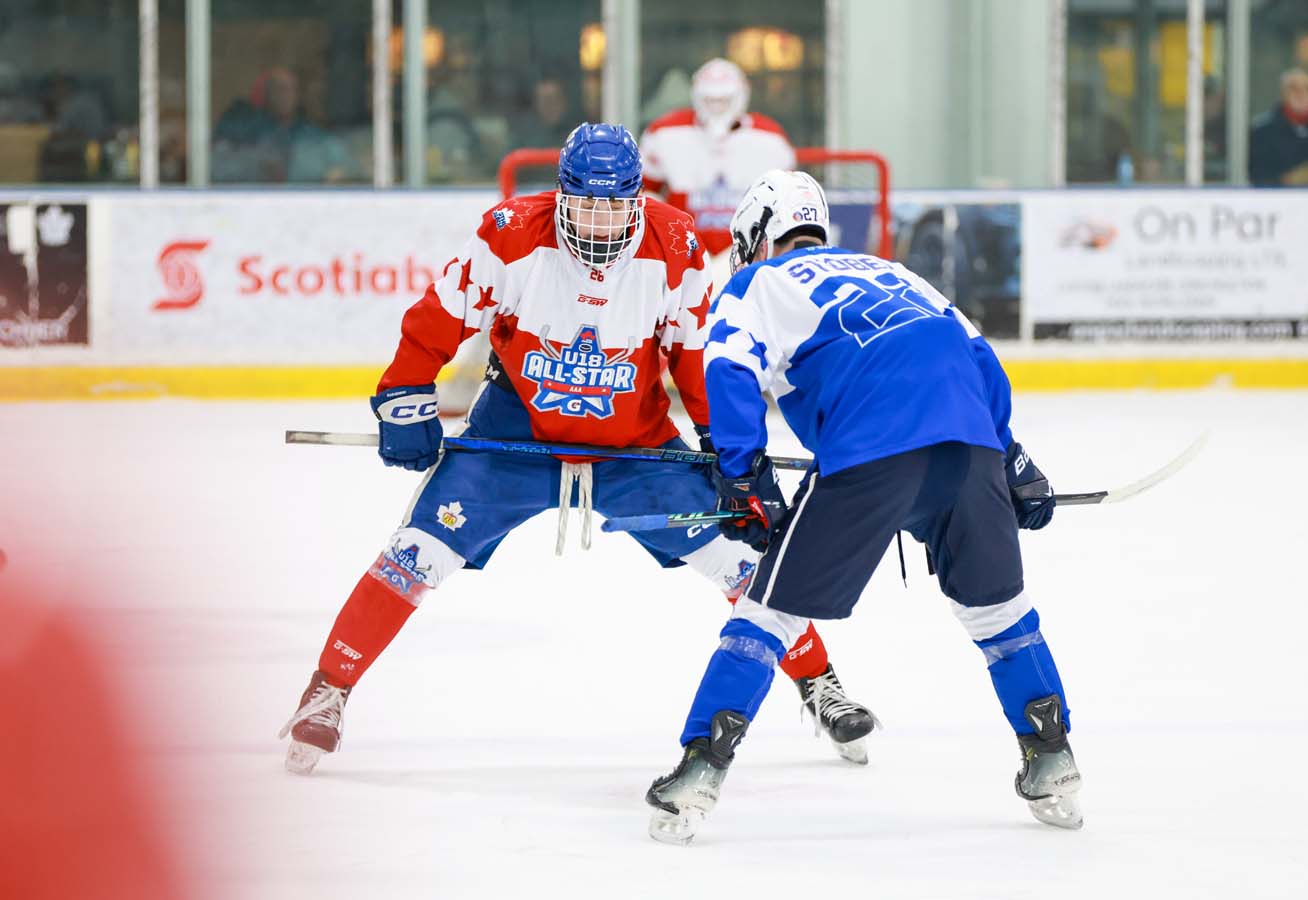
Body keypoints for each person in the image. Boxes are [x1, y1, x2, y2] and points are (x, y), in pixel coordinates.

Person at [279, 126, 876, 776]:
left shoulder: (675, 245)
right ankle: (328, 689)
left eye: (614, 206)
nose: (599, 221)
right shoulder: (510, 233)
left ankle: (820, 684)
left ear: (637, 200)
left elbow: (694, 357)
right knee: (412, 555)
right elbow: (439, 317)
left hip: (634, 449)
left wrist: (726, 447)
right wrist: (404, 393)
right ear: (561, 197)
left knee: (744, 564)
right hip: (515, 439)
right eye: (586, 204)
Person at [644, 170, 1081, 845]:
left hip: (871, 452)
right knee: (1001, 615)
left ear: (758, 236)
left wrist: (742, 471)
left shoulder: (758, 281)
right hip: (968, 447)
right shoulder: (895, 272)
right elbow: (979, 357)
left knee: (768, 615)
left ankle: (700, 767)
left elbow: (729, 368)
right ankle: (1053, 760)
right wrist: (1010, 457)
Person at [640, 58, 795, 286]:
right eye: (710, 100)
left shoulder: (770, 139)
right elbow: (644, 194)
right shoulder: (665, 133)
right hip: (681, 250)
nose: (717, 108)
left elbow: (784, 204)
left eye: (724, 100)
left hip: (744, 254)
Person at [212, 67, 353, 183]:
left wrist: (340, 173)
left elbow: (347, 168)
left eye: (291, 89)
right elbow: (215, 167)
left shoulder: (311, 135)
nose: (286, 95)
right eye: (279, 89)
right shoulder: (244, 129)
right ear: (266, 94)